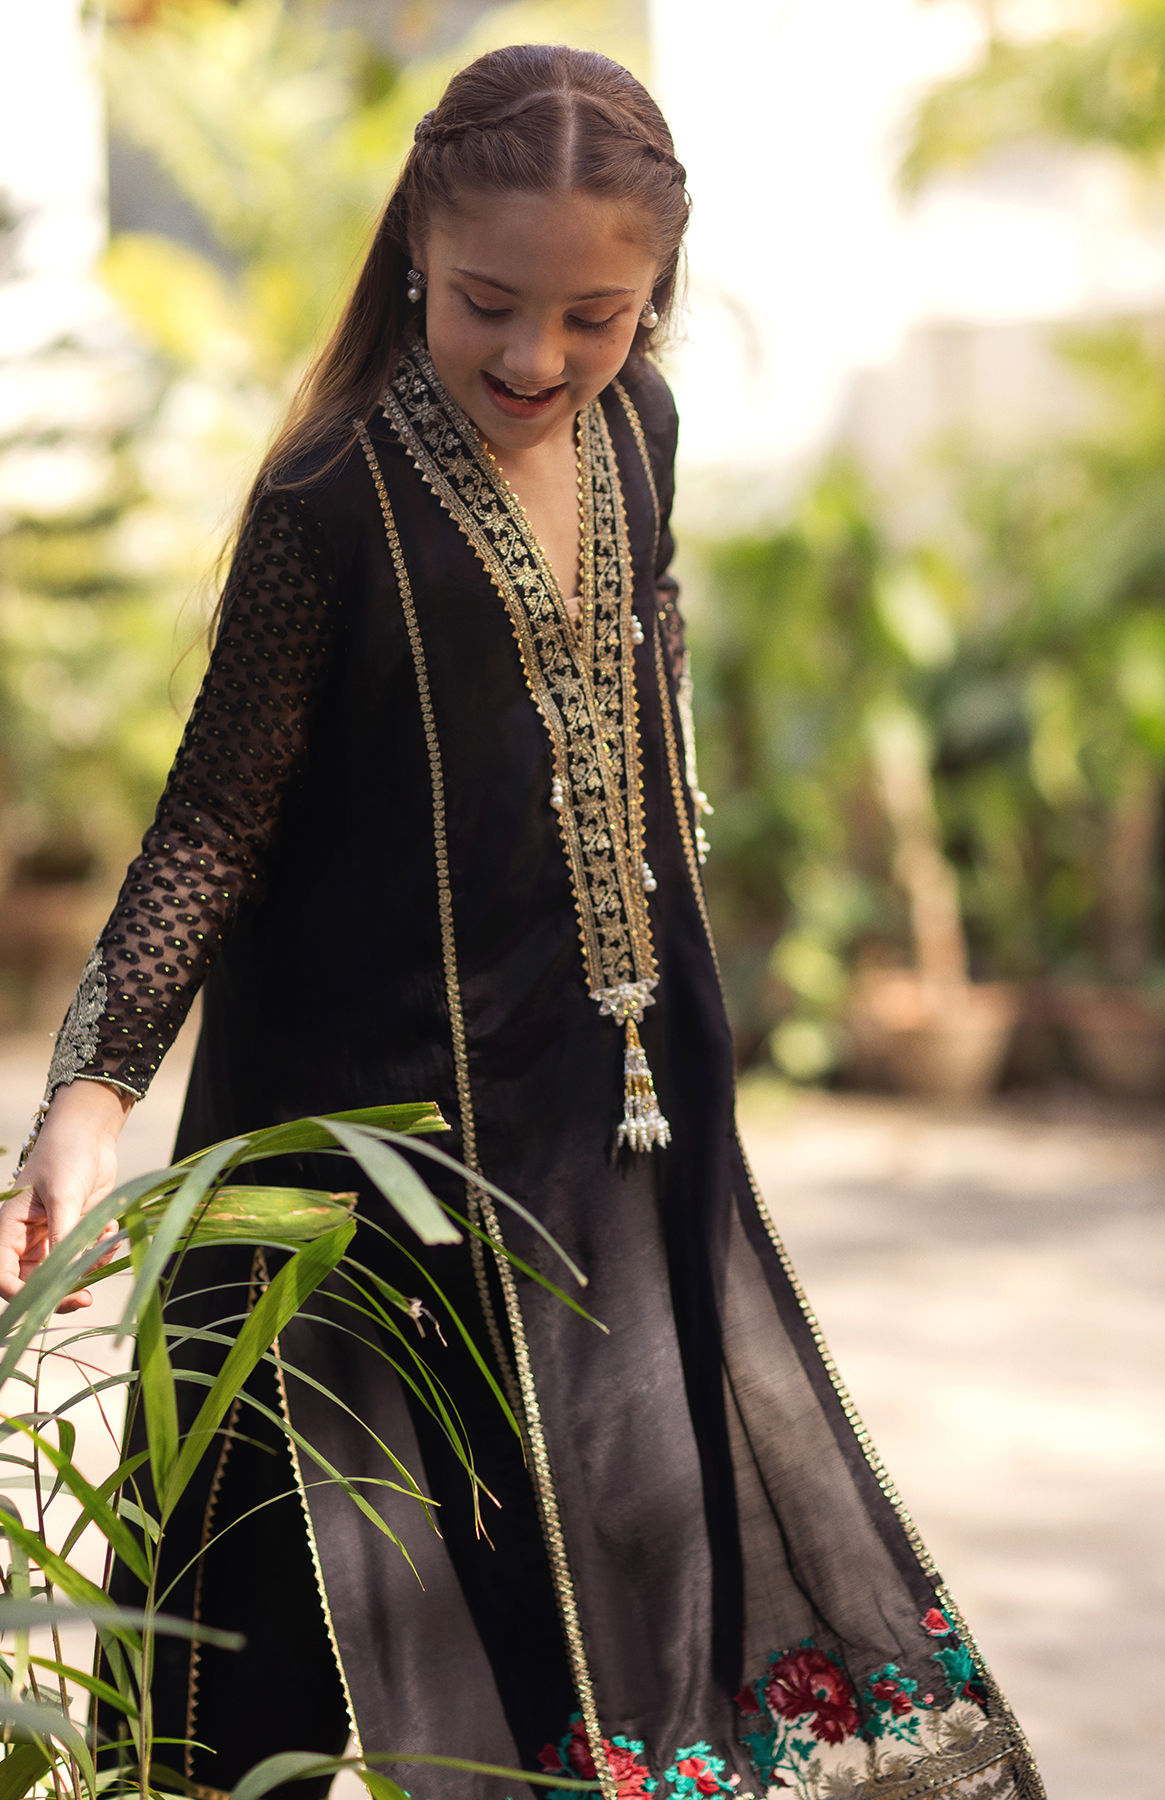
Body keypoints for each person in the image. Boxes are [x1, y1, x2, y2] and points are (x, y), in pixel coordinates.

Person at [0, 44, 1044, 1800]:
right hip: (375, 1144)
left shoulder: (645, 430)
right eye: (491, 302)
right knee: (293, 1582)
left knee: (634, 1541)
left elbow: (646, 668)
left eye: (595, 317)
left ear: (654, 297)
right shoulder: (332, 502)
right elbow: (212, 820)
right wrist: (90, 1094)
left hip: (617, 1107)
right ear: (416, 244)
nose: (538, 358)